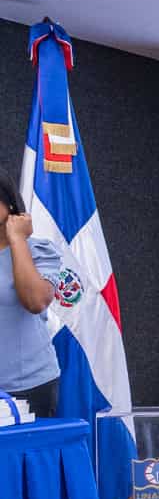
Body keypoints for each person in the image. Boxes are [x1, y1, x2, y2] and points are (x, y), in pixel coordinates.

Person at [0, 166, 62, 418]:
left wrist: (17, 240)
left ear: (9, 201)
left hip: (28, 388)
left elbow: (36, 301)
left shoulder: (39, 251)